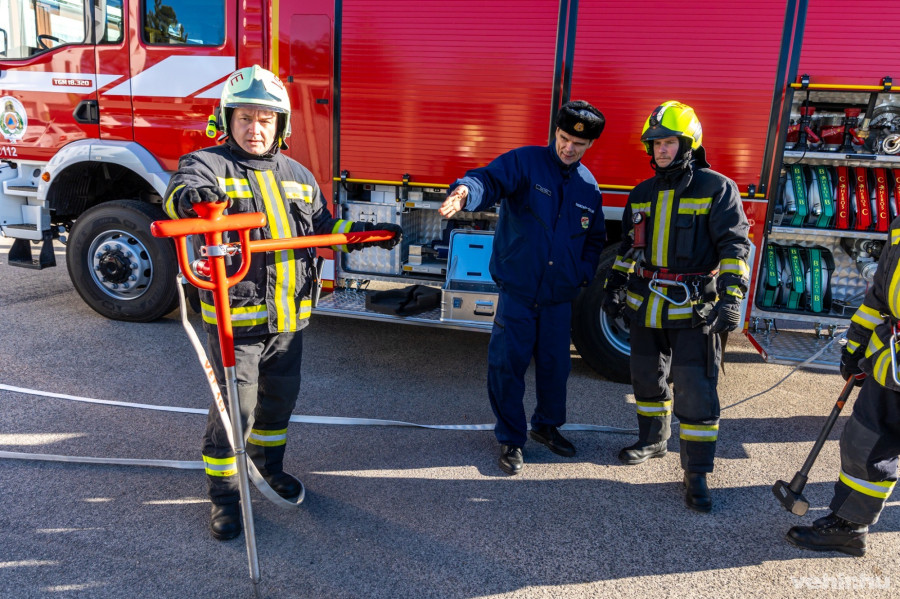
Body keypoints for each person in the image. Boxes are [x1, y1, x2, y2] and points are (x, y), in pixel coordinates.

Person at [163, 65, 402, 541]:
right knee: (238, 410)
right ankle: (226, 497)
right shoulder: (207, 165)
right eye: (246, 118)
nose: (255, 129)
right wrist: (196, 200)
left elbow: (321, 226)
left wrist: (354, 235)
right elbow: (177, 196)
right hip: (237, 322)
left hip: (290, 319)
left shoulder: (298, 175)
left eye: (265, 120)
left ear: (281, 126)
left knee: (278, 405)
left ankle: (267, 467)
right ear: (227, 120)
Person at [439, 100, 607, 475]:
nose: (569, 148)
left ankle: (547, 427)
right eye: (564, 138)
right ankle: (512, 439)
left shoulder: (588, 187)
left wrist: (581, 273)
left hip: (558, 297)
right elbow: (488, 180)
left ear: (590, 145)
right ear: (555, 133)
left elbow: (595, 239)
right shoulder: (525, 163)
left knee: (554, 367)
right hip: (518, 291)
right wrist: (464, 192)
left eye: (578, 144)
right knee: (506, 366)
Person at [602, 101, 750, 512]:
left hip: (694, 310)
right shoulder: (642, 193)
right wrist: (614, 285)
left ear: (688, 143)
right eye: (655, 143)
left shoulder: (717, 188)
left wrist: (733, 297)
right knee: (647, 381)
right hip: (647, 306)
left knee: (696, 390)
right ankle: (652, 442)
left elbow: (735, 247)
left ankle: (697, 472)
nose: (661, 150)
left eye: (669, 142)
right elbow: (631, 247)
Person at [785, 217, 900, 556]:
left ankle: (850, 526)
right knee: (866, 438)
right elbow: (881, 290)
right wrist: (857, 343)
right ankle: (850, 525)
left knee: (870, 440)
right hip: (892, 353)